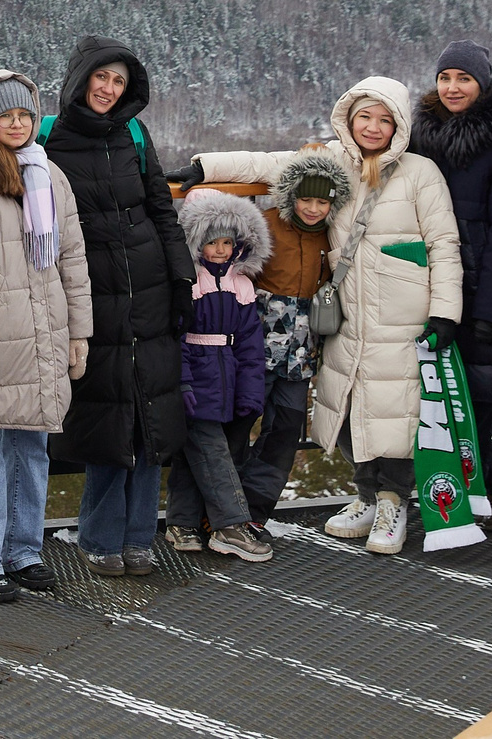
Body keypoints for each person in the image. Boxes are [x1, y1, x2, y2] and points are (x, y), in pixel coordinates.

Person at [190, 76, 462, 556]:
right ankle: (365, 496)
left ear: (399, 125)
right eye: (365, 117)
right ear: (348, 119)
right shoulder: (332, 162)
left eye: (385, 119)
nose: (373, 128)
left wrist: (444, 312)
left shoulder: (420, 173)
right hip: (342, 316)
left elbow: (443, 245)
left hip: (402, 314)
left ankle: (393, 503)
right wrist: (205, 167)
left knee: (399, 407)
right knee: (356, 404)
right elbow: (267, 163)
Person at [42, 38, 194, 578]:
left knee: (150, 409)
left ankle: (138, 534)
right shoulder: (47, 136)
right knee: (106, 411)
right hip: (87, 287)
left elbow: (160, 205)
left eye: (119, 83)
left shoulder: (133, 132)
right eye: (101, 78)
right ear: (80, 78)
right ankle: (100, 535)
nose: (108, 90)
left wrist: (182, 276)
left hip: (146, 283)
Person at [0, 70, 92, 601]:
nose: (17, 124)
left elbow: (73, 259)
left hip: (45, 332)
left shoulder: (51, 176)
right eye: (6, 115)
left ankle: (23, 550)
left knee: (32, 444)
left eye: (25, 115)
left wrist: (80, 333)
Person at [416, 40, 492, 529]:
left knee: (476, 396)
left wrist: (490, 309)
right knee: (438, 394)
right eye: (445, 78)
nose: (453, 87)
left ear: (482, 83)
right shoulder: (422, 133)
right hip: (432, 281)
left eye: (463, 78)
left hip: (485, 283)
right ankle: (465, 487)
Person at [238, 152, 351, 526]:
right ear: (290, 196)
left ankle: (255, 511)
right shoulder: (264, 226)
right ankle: (223, 508)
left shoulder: (332, 235)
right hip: (256, 345)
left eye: (322, 201)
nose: (314, 209)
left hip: (301, 351)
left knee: (285, 430)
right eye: (306, 200)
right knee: (237, 424)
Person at [164, 190, 275, 562]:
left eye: (228, 242)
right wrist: (183, 382)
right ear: (197, 242)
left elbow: (250, 345)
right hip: (197, 378)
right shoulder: (188, 282)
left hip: (227, 375)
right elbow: (176, 337)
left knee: (200, 453)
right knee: (212, 452)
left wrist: (250, 393)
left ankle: (181, 522)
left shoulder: (241, 284)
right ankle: (231, 524)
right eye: (213, 241)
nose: (221, 249)